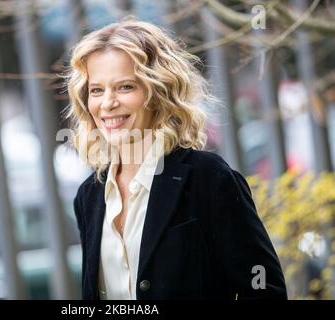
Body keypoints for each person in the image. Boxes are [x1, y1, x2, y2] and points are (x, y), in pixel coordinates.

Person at [65, 18, 287, 300]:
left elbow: (264, 289)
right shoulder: (89, 196)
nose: (107, 103)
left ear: (157, 93)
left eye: (125, 87)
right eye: (97, 90)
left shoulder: (208, 179)